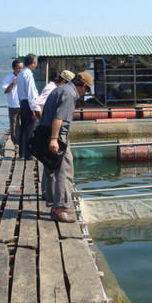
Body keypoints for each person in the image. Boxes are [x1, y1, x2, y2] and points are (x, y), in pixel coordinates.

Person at [38, 72, 93, 223]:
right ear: (82, 86)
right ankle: (60, 208)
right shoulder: (70, 94)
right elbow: (58, 119)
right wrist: (54, 139)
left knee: (51, 168)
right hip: (56, 136)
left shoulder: (59, 89)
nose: (85, 94)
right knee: (65, 170)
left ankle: (53, 201)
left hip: (46, 132)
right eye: (87, 90)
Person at [16, 53, 39, 160]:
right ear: (33, 63)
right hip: (29, 103)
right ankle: (29, 154)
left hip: (23, 103)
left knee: (24, 129)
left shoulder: (20, 73)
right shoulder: (28, 74)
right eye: (36, 62)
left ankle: (22, 153)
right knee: (30, 129)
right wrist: (34, 109)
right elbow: (31, 93)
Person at [2, 59, 23, 149]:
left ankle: (24, 142)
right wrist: (13, 83)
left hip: (24, 104)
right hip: (13, 105)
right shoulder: (8, 78)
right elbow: (6, 91)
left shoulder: (25, 76)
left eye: (22, 68)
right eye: (18, 68)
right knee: (14, 125)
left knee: (25, 124)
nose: (20, 70)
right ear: (13, 68)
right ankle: (16, 143)